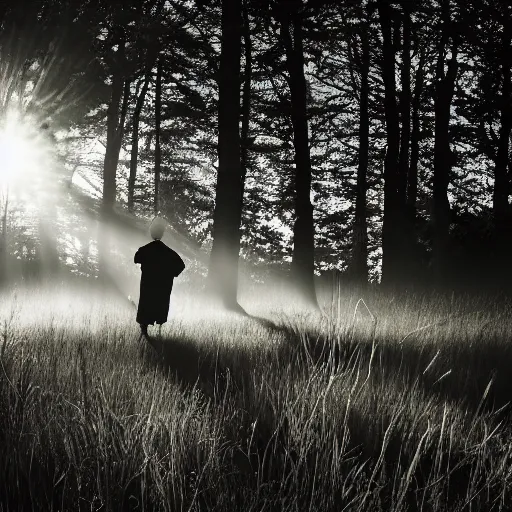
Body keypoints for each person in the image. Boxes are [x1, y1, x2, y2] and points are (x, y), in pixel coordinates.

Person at [134, 217, 185, 338]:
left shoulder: (144, 250)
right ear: (162, 234)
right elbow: (181, 265)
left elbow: (136, 259)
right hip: (163, 287)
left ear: (152, 233)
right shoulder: (169, 253)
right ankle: (159, 333)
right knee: (160, 307)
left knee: (146, 306)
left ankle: (144, 332)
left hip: (148, 285)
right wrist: (171, 274)